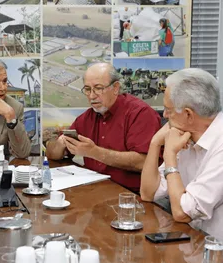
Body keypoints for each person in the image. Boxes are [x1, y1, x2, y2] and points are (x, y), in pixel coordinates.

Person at [45, 63, 161, 192]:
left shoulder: (140, 114)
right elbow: (51, 153)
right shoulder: (86, 118)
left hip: (131, 196)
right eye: (87, 89)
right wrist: (60, 144)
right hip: (95, 192)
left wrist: (94, 152)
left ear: (116, 88)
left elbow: (144, 162)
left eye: (98, 88)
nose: (92, 96)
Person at [140, 68, 223, 241]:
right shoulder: (185, 134)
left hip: (215, 253)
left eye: (168, 110)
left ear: (188, 114)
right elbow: (148, 194)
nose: (164, 115)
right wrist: (155, 143)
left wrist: (169, 154)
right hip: (192, 242)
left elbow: (182, 213)